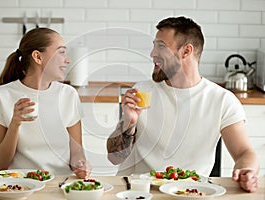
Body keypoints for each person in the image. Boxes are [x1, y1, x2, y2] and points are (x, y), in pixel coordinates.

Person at [107, 16, 259, 192]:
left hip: (191, 192)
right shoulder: (142, 92)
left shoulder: (222, 100)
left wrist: (247, 170)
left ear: (186, 51)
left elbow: (244, 153)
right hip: (139, 192)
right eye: (154, 45)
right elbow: (114, 158)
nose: (152, 53)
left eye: (161, 46)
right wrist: (129, 122)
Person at [0, 27, 91, 178]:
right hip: (20, 184)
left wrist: (81, 165)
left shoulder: (68, 94)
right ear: (38, 57)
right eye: (61, 52)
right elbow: (1, 164)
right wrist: (15, 123)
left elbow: (77, 152)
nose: (67, 60)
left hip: (59, 182)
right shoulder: (1, 96)